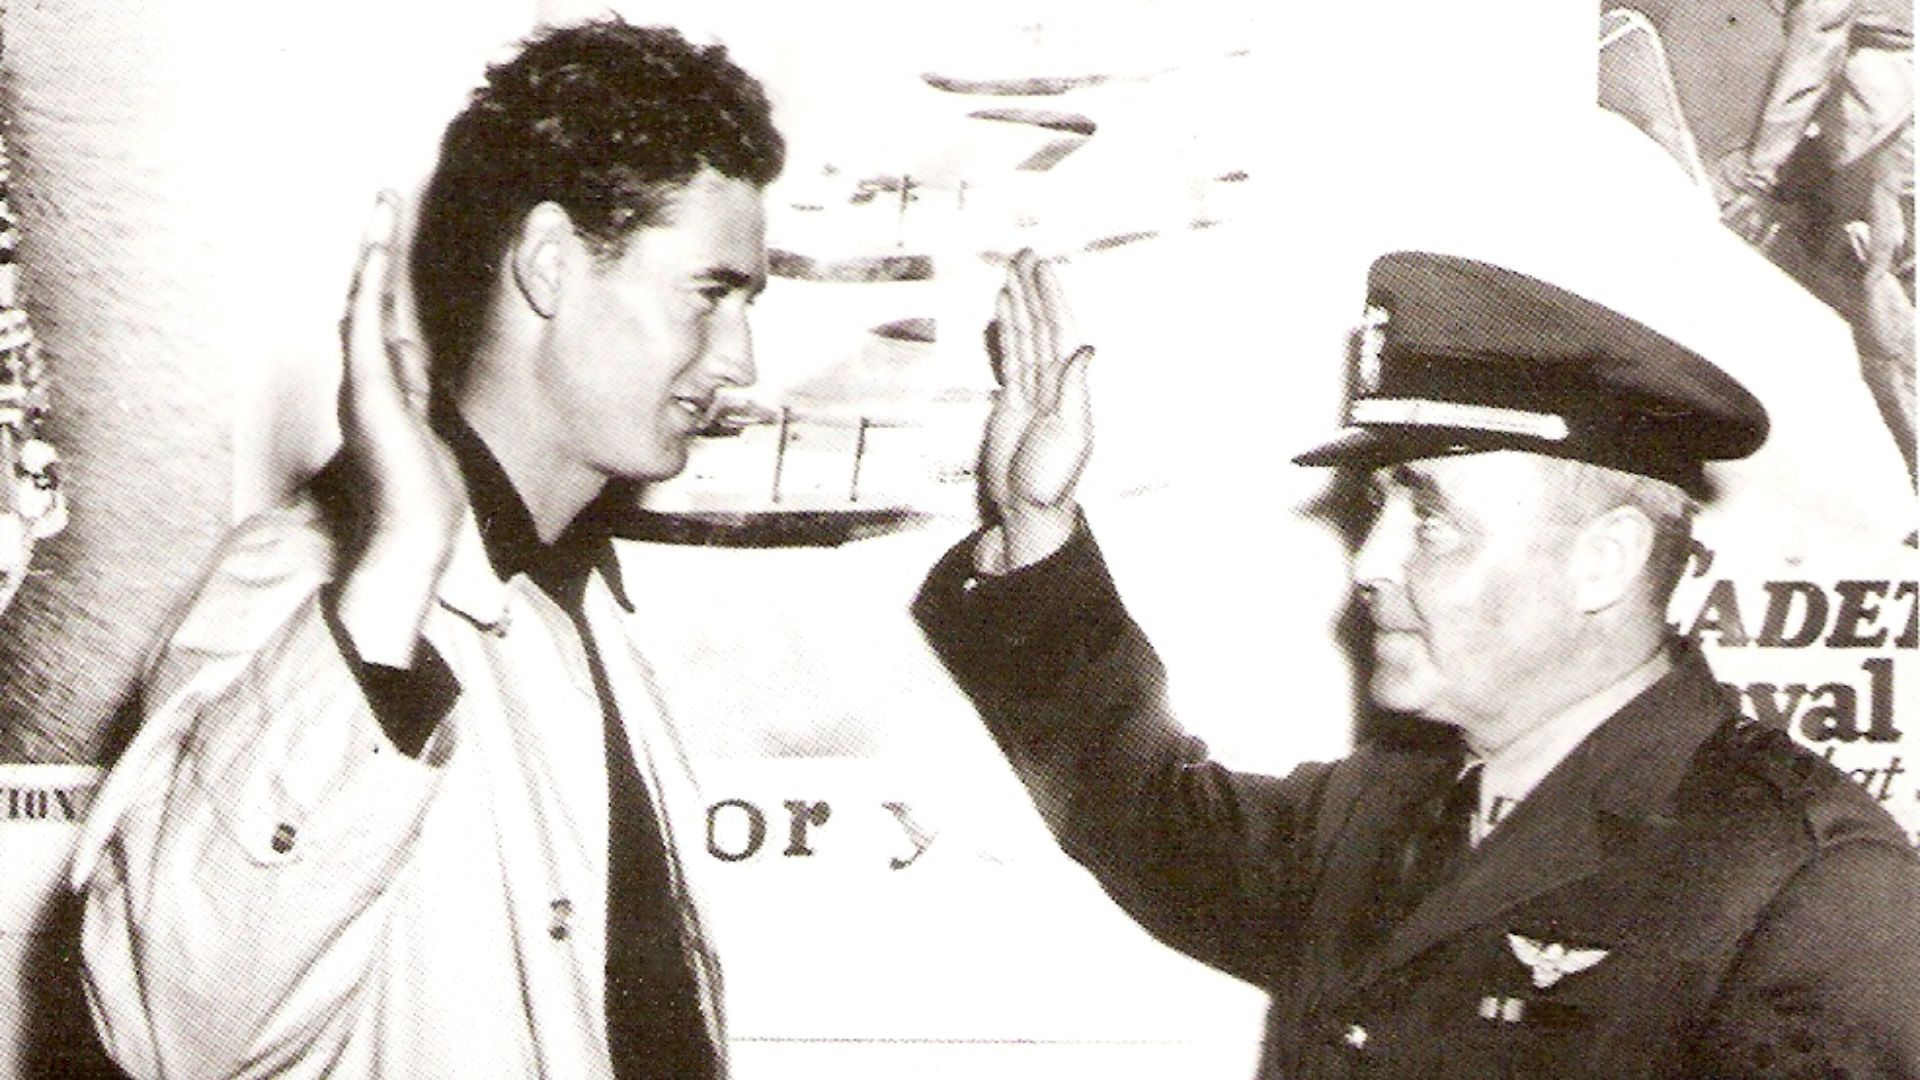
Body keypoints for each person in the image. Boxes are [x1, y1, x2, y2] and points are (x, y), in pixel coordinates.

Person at [915, 248, 1920, 1077]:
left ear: (1603, 560)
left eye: (1430, 516)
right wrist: (1033, 524)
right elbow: (1141, 814)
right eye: (1378, 506)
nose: (1371, 559)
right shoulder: (1382, 814)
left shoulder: (1813, 885)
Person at [69, 19, 781, 1079]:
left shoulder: (575, 619)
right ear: (549, 265)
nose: (741, 360)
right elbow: (175, 1032)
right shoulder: (312, 590)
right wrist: (397, 561)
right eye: (710, 296)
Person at [1718, 0, 1915, 486]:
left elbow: (1816, 46)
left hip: (1895, 138)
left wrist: (1760, 174)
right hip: (1888, 124)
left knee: (1889, 323)